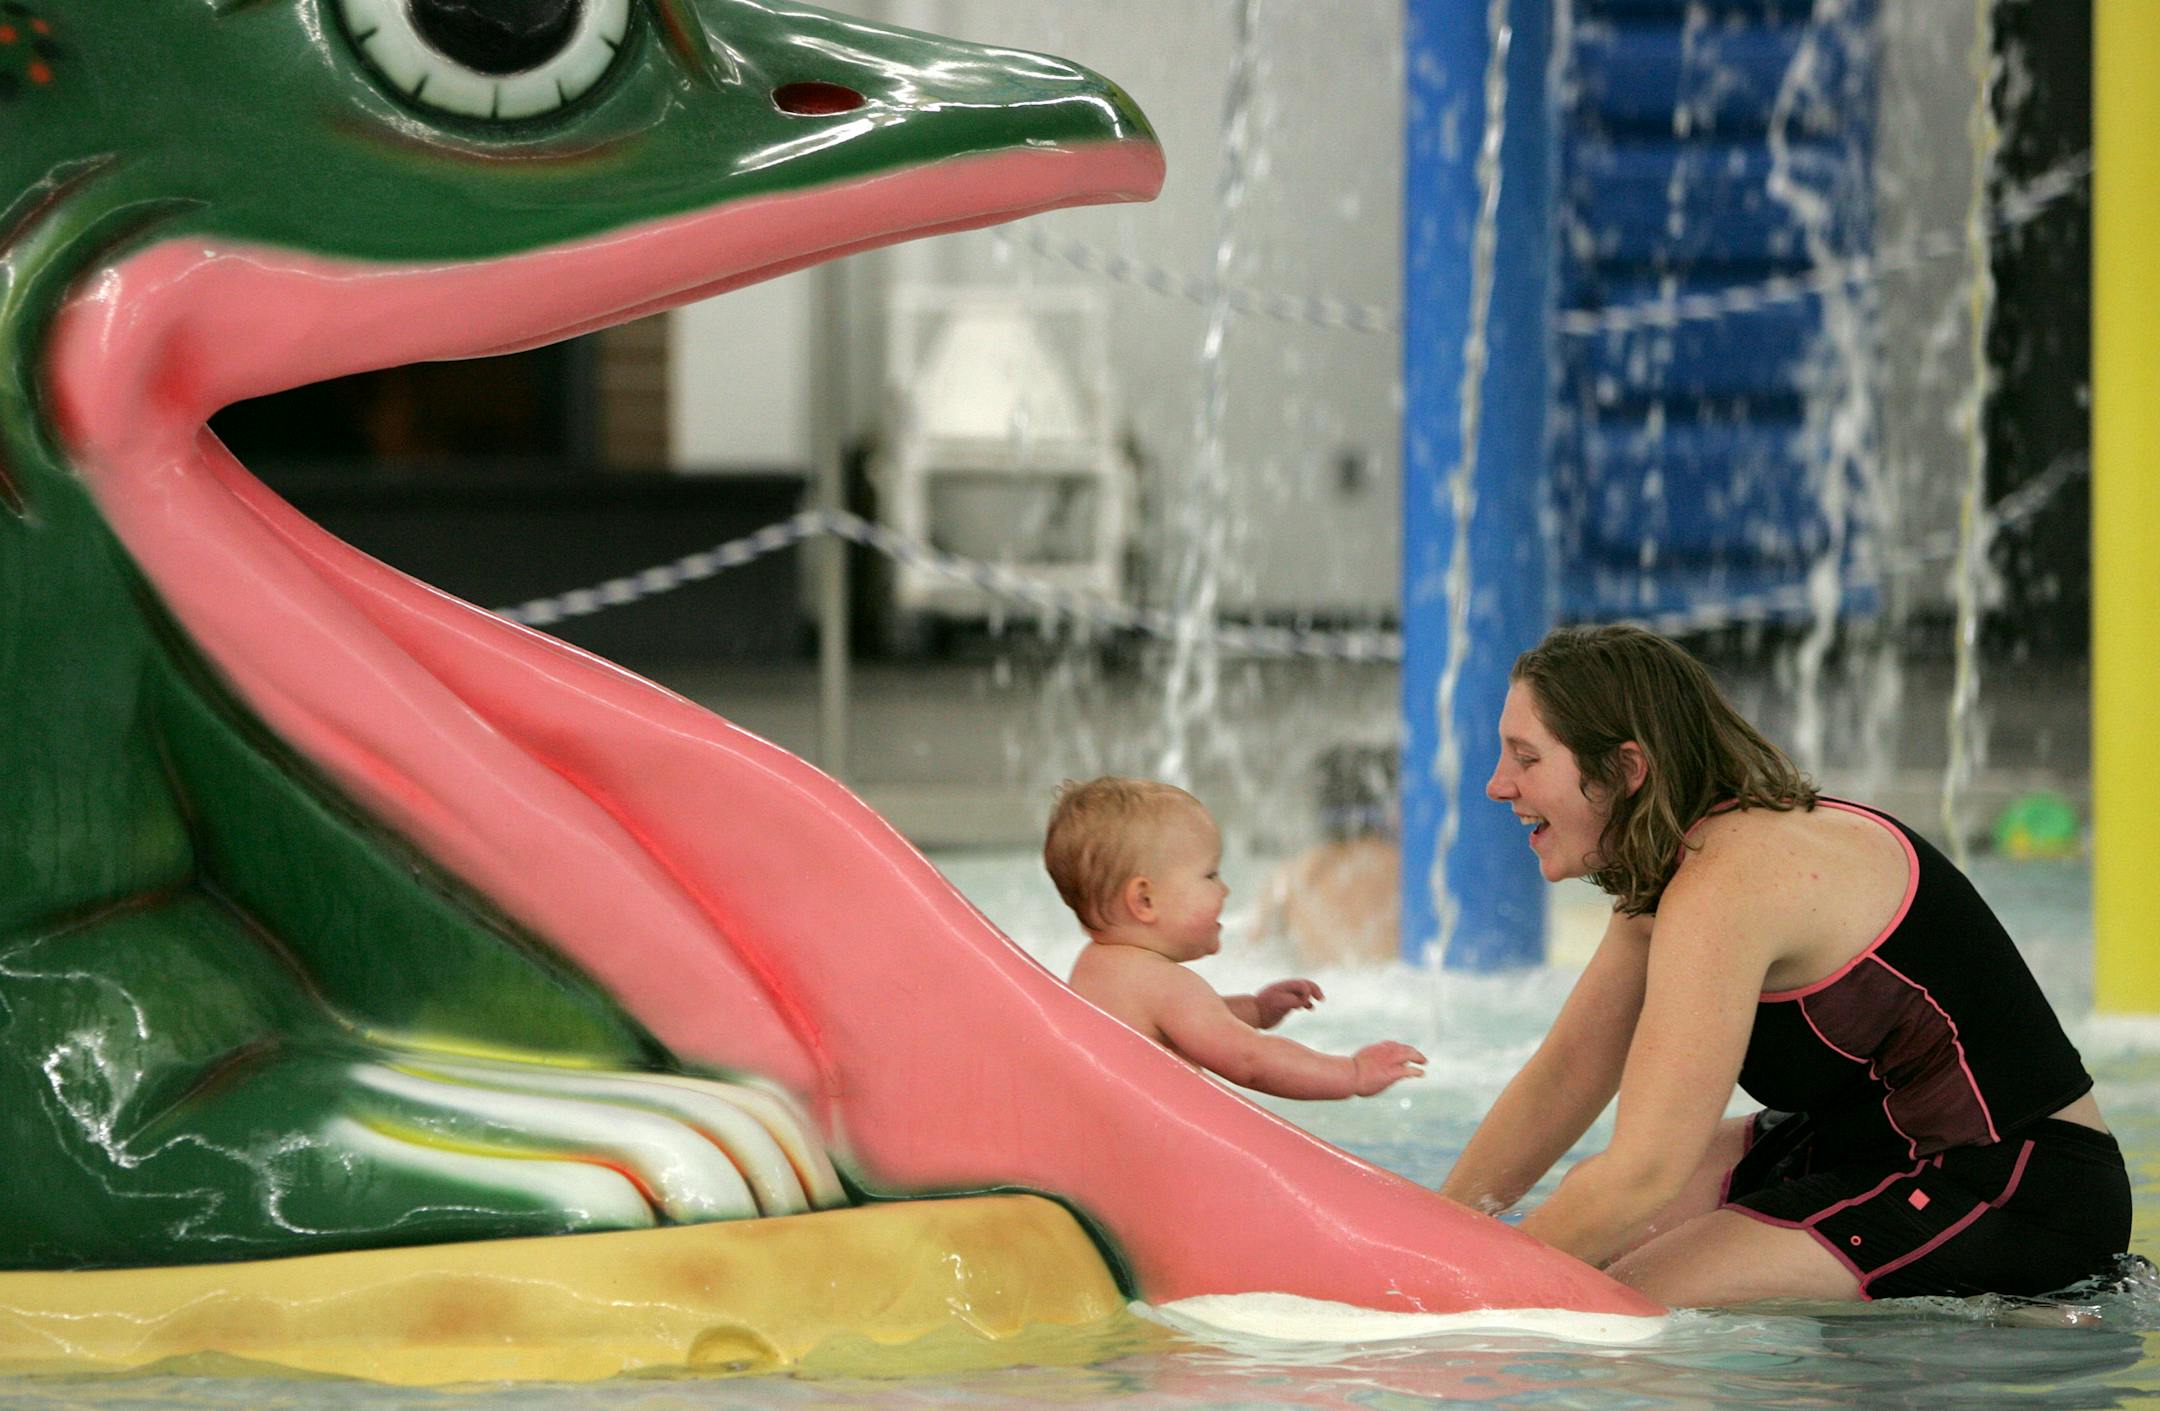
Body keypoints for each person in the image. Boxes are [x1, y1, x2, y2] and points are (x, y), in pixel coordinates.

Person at [1442, 624, 2129, 1306]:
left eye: (1526, 758)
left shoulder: (1731, 878)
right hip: (1862, 1144)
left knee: (1633, 1295)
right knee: (1587, 1211)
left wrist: (1451, 1294)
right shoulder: (1674, 868)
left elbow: (1644, 1172)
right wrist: (1437, 1228)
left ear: (1626, 769)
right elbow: (1563, 1077)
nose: (1498, 786)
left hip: (2013, 1186)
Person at [1046, 776, 1426, 1099]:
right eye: (1210, 876)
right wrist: (1352, 1073)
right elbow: (1251, 1061)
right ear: (1144, 900)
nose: (1224, 890)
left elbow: (1181, 1024)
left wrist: (1256, 1010)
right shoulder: (1166, 984)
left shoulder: (1097, 966)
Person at [1255, 744, 1401, 968]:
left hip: (1326, 992)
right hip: (1396, 989)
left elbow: (1252, 956)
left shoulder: (1290, 877)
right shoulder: (1405, 868)